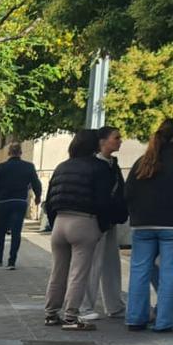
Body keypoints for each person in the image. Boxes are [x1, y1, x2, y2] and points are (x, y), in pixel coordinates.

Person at [43, 129, 117, 330]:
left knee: (58, 271)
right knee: (79, 273)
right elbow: (103, 200)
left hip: (60, 222)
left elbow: (49, 200)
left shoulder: (61, 167)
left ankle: (51, 313)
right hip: (84, 222)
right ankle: (71, 317)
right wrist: (102, 226)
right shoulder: (99, 167)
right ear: (95, 145)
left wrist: (53, 220)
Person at [124, 119, 173, 332]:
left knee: (139, 271)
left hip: (142, 225)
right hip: (170, 225)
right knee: (169, 273)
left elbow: (128, 193)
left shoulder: (143, 161)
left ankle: (135, 319)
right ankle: (164, 321)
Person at [80, 126, 129, 320]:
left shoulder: (112, 164)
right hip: (97, 220)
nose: (120, 141)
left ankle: (114, 304)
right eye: (116, 138)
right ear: (102, 141)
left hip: (111, 219)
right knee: (92, 263)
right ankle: (84, 306)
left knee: (111, 262)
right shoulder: (95, 165)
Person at [0, 142, 42, 269]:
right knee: (16, 232)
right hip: (19, 202)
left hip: (3, 202)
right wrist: (38, 197)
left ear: (8, 153)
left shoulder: (0, 167)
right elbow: (36, 183)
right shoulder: (28, 167)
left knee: (0, 231)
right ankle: (11, 261)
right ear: (21, 153)